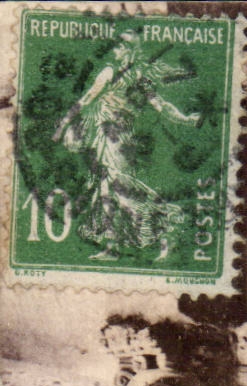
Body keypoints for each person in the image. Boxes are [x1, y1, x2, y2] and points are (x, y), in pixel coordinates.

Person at [53, 28, 198, 261]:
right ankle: (113, 247)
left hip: (117, 140)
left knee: (121, 190)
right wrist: (65, 124)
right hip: (107, 137)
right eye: (117, 46)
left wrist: (185, 119)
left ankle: (167, 226)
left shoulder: (126, 75)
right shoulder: (121, 74)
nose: (115, 50)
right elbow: (87, 100)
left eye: (121, 46)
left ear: (130, 51)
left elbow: (160, 105)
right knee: (106, 191)